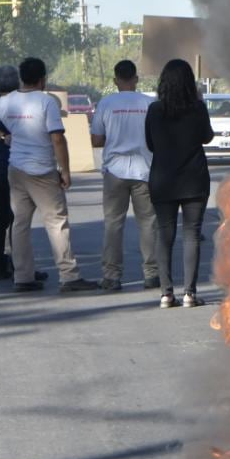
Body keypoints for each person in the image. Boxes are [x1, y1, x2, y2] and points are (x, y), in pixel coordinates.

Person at [0, 57, 98, 292]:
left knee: (20, 223)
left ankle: (22, 276)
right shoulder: (46, 102)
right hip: (42, 170)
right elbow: (57, 138)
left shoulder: (7, 102)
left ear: (22, 78)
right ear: (43, 79)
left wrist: (2, 137)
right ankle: (69, 275)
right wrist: (66, 171)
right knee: (57, 222)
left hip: (16, 169)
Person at [145, 58, 214, 308]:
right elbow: (207, 137)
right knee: (191, 234)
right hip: (194, 179)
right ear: (189, 83)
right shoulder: (197, 109)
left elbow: (150, 144)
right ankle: (190, 294)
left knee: (164, 234)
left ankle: (166, 293)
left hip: (163, 179)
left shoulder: (154, 110)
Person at [93, 59, 160, 291]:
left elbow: (96, 139)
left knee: (113, 224)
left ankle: (112, 275)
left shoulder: (106, 103)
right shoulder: (149, 103)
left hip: (115, 170)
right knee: (148, 223)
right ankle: (152, 274)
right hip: (144, 170)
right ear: (136, 79)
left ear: (115, 80)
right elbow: (157, 137)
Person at [0, 65, 38, 281]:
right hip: (15, 169)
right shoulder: (18, 108)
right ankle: (21, 267)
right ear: (18, 83)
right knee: (18, 220)